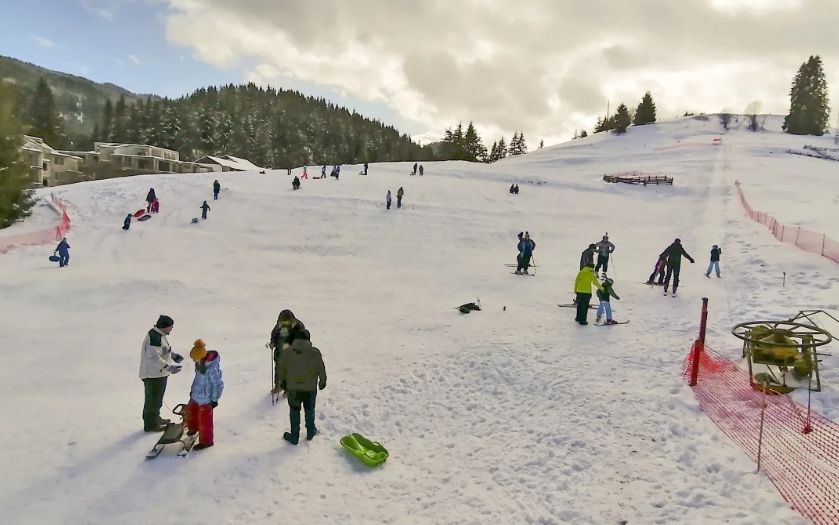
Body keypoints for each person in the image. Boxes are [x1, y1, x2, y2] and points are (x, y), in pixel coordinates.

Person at [278, 332, 327, 445]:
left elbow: (281, 369)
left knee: (294, 412)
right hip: (310, 389)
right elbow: (321, 368)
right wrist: (322, 381)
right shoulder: (314, 352)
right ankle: (310, 431)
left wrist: (283, 383)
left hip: (293, 389)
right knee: (310, 410)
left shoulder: (288, 352)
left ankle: (294, 436)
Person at [139, 315, 183, 432]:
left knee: (157, 399)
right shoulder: (154, 338)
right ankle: (151, 424)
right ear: (164, 327)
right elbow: (154, 359)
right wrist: (170, 368)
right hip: (153, 375)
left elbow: (163, 349)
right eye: (170, 327)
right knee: (153, 400)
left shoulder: (159, 335)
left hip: (159, 373)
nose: (172, 329)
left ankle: (155, 419)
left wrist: (173, 355)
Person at [186, 339, 223, 451]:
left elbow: (218, 384)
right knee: (191, 410)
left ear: (200, 356)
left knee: (205, 419)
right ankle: (193, 427)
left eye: (194, 358)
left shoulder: (212, 368)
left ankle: (206, 441)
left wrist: (214, 399)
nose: (193, 360)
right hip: (196, 395)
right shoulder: (199, 364)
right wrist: (193, 390)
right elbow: (197, 379)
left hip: (206, 398)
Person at [269, 309, 307, 394]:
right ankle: (278, 386)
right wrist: (273, 343)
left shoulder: (298, 326)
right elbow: (274, 335)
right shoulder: (278, 326)